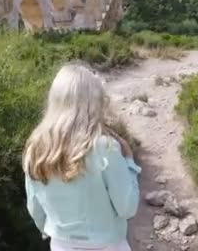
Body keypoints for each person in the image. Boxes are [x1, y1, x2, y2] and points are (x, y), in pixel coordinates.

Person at [22, 62, 140, 251]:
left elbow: (36, 210)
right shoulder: (105, 147)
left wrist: (51, 230)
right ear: (95, 101)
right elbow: (127, 208)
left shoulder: (35, 150)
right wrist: (130, 163)